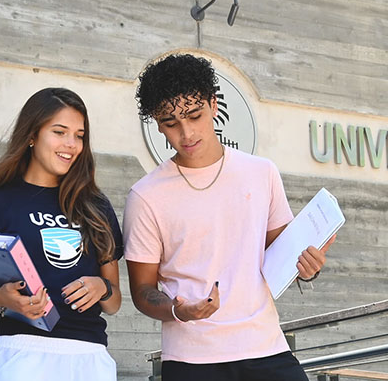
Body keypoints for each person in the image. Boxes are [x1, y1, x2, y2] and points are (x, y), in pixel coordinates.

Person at [123, 53, 335, 381]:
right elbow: (143, 291)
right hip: (191, 360)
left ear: (214, 104)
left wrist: (308, 268)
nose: (186, 133)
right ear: (157, 121)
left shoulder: (261, 172)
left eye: (195, 116)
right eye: (170, 123)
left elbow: (282, 256)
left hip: (266, 348)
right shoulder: (146, 196)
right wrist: (178, 310)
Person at [0, 87, 123, 381]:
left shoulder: (96, 206)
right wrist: (0, 298)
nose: (71, 144)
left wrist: (100, 287)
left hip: (89, 355)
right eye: (59, 132)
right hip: (22, 352)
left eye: (79, 135)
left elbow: (114, 302)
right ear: (32, 135)